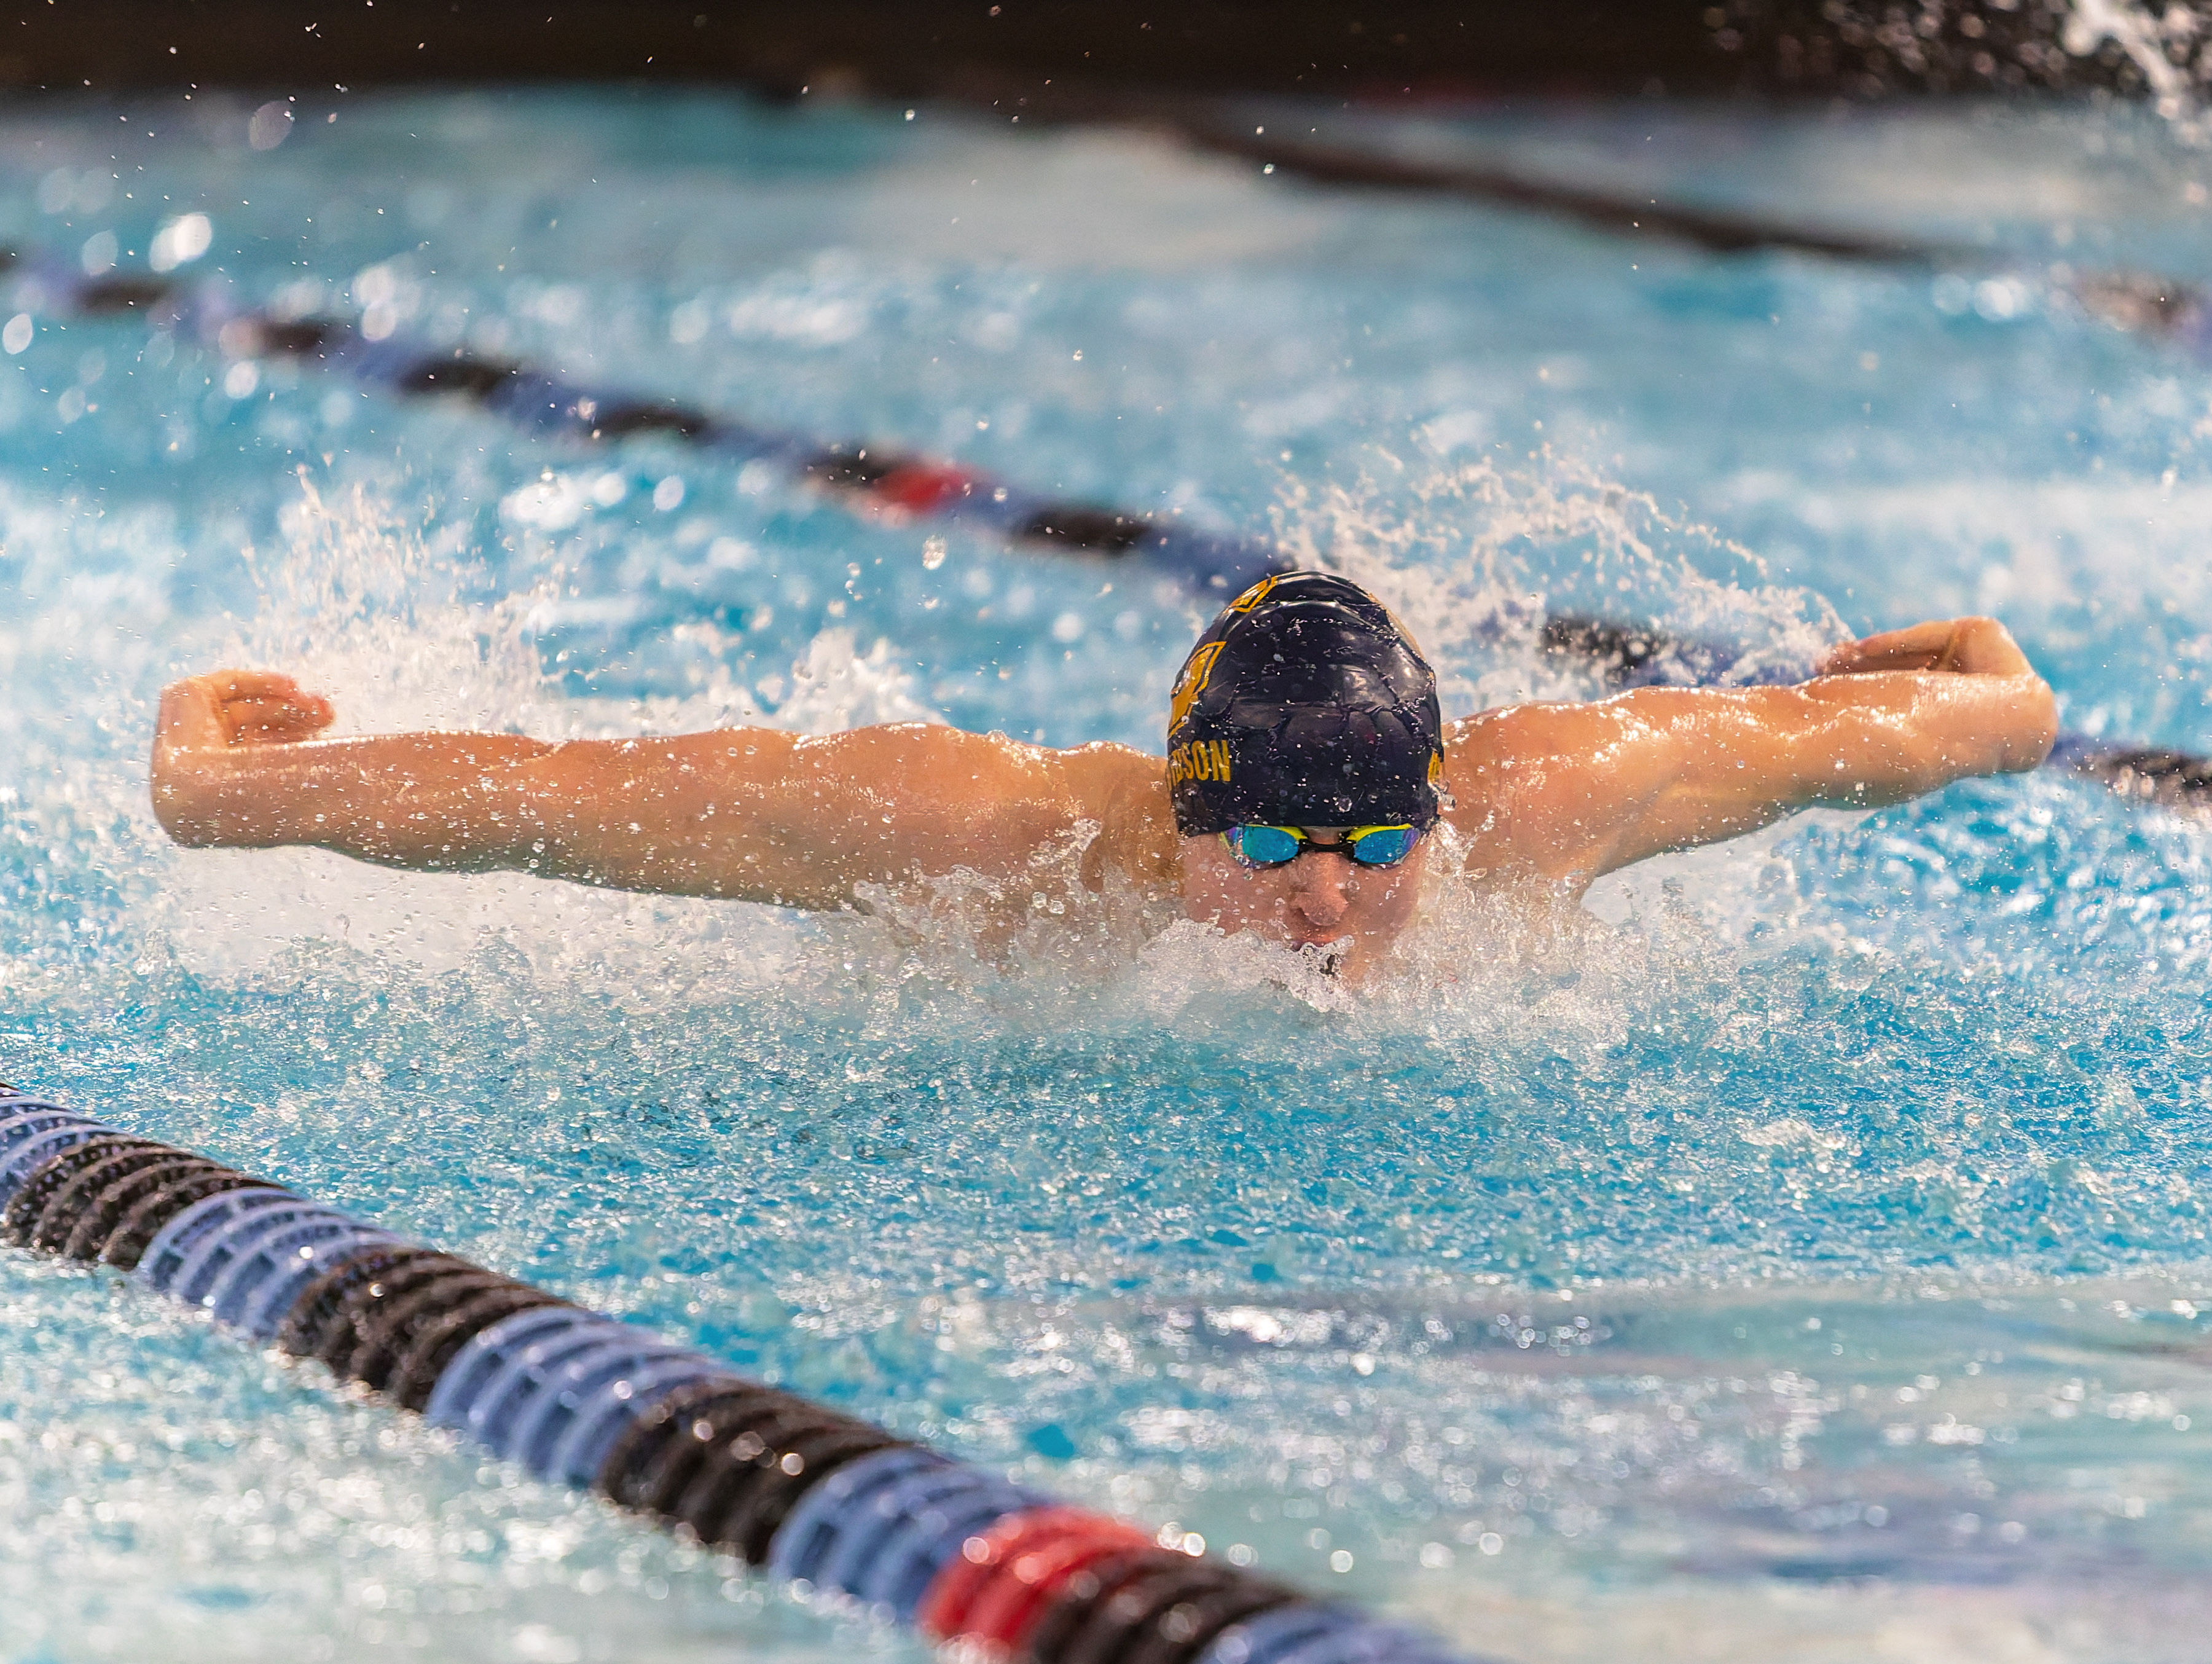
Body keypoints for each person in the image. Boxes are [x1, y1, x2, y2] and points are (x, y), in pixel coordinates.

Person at [149, 571, 2057, 982]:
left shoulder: (1549, 804)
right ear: (1176, 811)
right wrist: (218, 789)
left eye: (1378, 844)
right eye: (1269, 848)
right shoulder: (986, 840)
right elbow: (571, 798)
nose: (1327, 901)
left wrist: (1990, 681)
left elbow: (1895, 733)